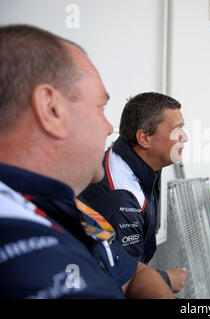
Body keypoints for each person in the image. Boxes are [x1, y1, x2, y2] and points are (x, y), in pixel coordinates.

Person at [0, 24, 175, 298]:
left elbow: (134, 273)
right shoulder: (24, 253)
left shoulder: (70, 208)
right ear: (52, 109)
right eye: (100, 107)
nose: (108, 127)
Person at [80, 92, 188, 293]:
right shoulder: (119, 197)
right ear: (145, 138)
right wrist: (166, 279)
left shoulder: (135, 161)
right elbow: (122, 282)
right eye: (177, 130)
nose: (185, 137)